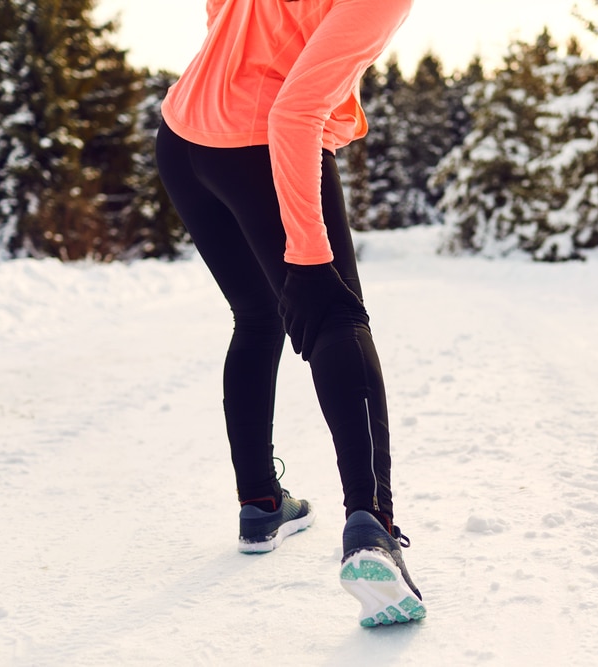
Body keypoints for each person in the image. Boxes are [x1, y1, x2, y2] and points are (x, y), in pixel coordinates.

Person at [154, 0, 424, 627]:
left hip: (185, 137)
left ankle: (261, 502)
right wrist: (307, 253)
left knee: (255, 314)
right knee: (335, 316)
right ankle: (371, 526)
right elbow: (296, 111)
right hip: (260, 141)